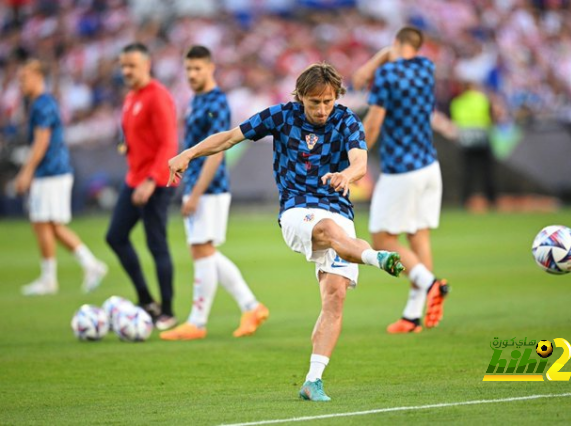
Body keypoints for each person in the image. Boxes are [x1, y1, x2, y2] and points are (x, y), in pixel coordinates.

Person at [167, 62, 405, 401]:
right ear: (300, 98)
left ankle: (313, 380)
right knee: (329, 230)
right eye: (314, 103)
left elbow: (360, 162)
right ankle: (377, 258)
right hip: (298, 210)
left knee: (335, 297)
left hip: (338, 207)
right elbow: (231, 137)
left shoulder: (347, 119)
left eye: (327, 102)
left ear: (336, 97)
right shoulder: (281, 116)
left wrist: (347, 176)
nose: (322, 110)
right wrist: (188, 153)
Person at [160, 46, 269, 341]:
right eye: (189, 69)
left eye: (198, 68)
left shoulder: (216, 102)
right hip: (200, 187)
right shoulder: (197, 101)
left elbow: (218, 152)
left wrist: (195, 193)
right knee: (206, 251)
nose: (193, 74)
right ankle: (251, 306)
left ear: (211, 68)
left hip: (209, 188)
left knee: (201, 251)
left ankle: (197, 322)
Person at [353, 26, 449, 334]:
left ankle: (431, 283)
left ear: (394, 44)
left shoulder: (387, 76)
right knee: (418, 236)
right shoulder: (426, 67)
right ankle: (412, 316)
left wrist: (357, 158)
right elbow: (397, 56)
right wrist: (379, 60)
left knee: (382, 238)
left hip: (401, 170)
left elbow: (373, 123)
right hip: (429, 167)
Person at [16, 59, 107, 296]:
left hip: (50, 171)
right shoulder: (43, 103)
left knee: (43, 222)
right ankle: (90, 264)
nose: (21, 83)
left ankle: (50, 278)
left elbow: (42, 141)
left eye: (24, 78)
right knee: (52, 224)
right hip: (55, 170)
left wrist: (26, 171)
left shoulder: (41, 104)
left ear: (38, 76)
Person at [106, 43, 178, 331]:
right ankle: (147, 300)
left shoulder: (158, 96)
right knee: (115, 236)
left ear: (147, 65)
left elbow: (168, 144)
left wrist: (151, 180)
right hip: (134, 178)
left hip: (155, 182)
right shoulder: (132, 97)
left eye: (132, 65)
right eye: (123, 65)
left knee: (156, 244)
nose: (126, 71)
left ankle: (168, 311)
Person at [450, 80, 497, 212]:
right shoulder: (482, 99)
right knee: (487, 172)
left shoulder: (457, 102)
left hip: (466, 139)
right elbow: (491, 116)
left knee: (468, 172)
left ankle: (465, 200)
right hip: (482, 137)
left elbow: (455, 121)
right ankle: (491, 200)